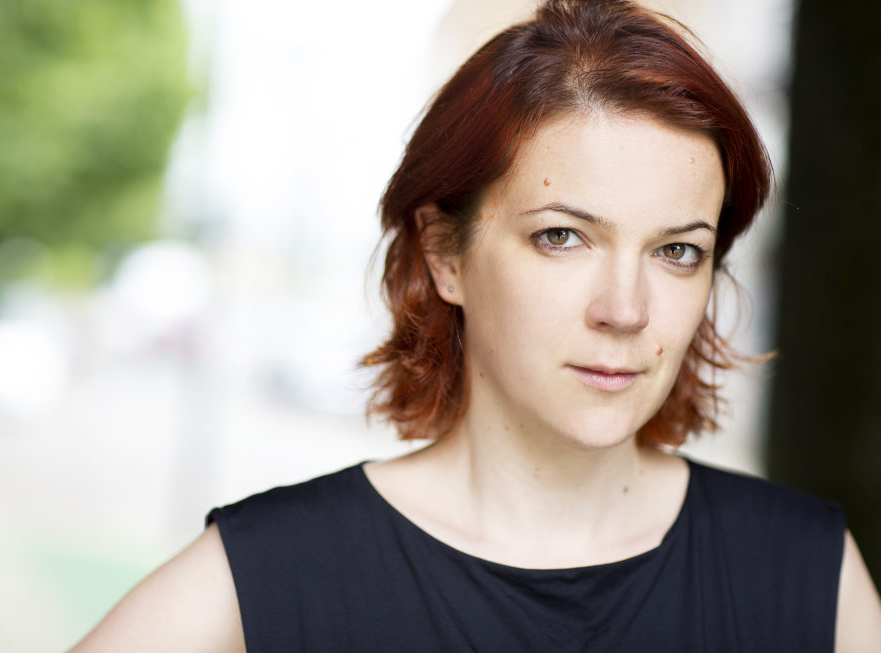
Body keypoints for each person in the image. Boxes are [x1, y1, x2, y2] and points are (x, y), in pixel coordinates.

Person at [69, 1, 881, 651]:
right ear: (444, 254)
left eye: (677, 251)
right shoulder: (269, 575)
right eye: (562, 236)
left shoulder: (809, 574)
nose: (625, 308)